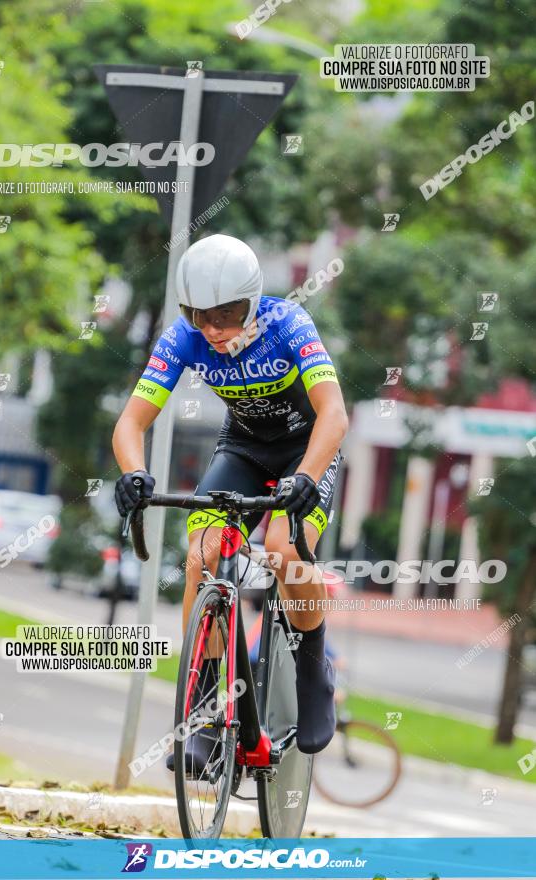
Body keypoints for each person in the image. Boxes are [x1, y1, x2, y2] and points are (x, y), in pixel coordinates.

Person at [112, 234, 349, 773]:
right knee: (203, 555)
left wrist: (306, 477)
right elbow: (131, 422)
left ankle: (313, 667)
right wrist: (134, 474)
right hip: (242, 448)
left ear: (253, 298)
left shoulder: (288, 323)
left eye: (228, 314)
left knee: (284, 551)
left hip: (305, 448)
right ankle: (203, 710)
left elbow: (333, 416)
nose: (215, 331)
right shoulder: (183, 338)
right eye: (201, 317)